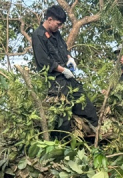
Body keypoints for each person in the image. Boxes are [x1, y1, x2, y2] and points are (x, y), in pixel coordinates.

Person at [31, 5, 98, 138]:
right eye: (58, 24)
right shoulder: (38, 35)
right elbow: (44, 61)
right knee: (63, 118)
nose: (59, 27)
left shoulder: (56, 33)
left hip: (69, 78)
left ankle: (97, 137)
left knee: (87, 108)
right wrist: (63, 70)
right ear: (49, 19)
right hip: (56, 81)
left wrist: (69, 58)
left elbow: (63, 48)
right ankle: (62, 150)